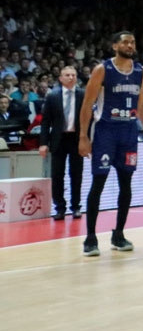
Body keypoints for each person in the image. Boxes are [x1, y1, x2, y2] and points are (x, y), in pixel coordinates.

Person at [77, 31, 143, 257]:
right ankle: (90, 237)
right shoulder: (102, 69)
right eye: (125, 42)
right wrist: (83, 137)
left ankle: (119, 234)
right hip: (105, 130)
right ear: (115, 45)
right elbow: (87, 105)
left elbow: (141, 103)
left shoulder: (140, 71)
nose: (130, 45)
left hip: (128, 132)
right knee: (99, 183)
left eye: (133, 42)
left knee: (126, 183)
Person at [39, 66, 85, 220]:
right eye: (67, 75)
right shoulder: (52, 96)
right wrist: (43, 143)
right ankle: (59, 207)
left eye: (73, 75)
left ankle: (76, 206)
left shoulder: (82, 95)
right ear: (60, 78)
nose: (71, 77)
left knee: (76, 174)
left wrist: (88, 140)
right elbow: (45, 122)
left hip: (76, 139)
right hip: (58, 139)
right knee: (57, 175)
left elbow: (88, 120)